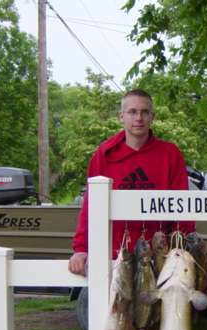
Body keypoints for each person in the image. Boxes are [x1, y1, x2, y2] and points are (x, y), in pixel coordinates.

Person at [68, 89, 194, 275]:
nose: (139, 118)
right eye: (132, 112)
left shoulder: (170, 154)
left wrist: (180, 250)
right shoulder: (104, 155)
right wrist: (80, 249)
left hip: (159, 257)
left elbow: (182, 208)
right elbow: (90, 207)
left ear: (152, 116)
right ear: (122, 116)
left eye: (145, 112)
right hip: (113, 257)